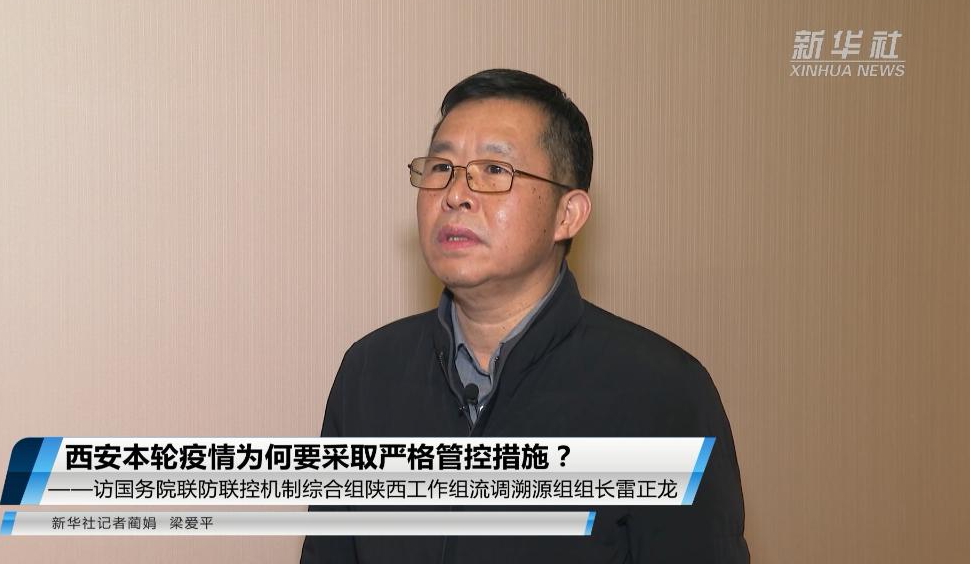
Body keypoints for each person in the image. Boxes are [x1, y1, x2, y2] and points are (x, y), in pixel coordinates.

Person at [300, 68, 749, 563]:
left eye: (494, 170)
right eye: (441, 167)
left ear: (567, 214)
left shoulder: (661, 393)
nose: (455, 194)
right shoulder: (371, 371)